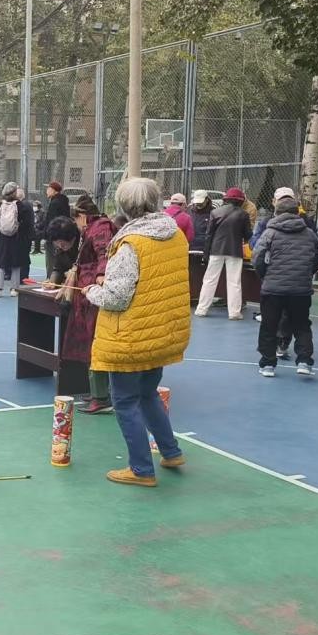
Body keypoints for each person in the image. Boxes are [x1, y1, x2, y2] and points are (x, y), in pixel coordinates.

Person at [81, 178, 190, 487]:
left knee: (125, 400)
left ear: (124, 207)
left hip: (131, 335)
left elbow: (117, 297)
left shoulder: (131, 244)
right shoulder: (175, 235)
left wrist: (92, 291)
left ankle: (141, 469)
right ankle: (170, 451)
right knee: (147, 393)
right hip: (162, 330)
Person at [58, 197, 118, 413]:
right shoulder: (94, 228)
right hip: (87, 292)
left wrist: (100, 275)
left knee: (95, 341)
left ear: (82, 216)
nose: (76, 225)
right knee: (90, 341)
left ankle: (101, 396)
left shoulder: (100, 228)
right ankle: (97, 392)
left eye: (76, 220)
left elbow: (104, 252)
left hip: (93, 292)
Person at [252, 197, 318, 377]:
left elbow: (258, 258)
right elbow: (316, 260)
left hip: (273, 288)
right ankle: (304, 361)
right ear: (298, 213)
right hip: (301, 289)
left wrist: (265, 276)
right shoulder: (310, 234)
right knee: (302, 325)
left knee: (269, 325)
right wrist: (305, 276)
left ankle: (268, 364)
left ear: (276, 212)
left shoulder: (270, 233)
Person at [194, 187, 252, 320]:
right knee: (234, 282)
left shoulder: (215, 212)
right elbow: (247, 235)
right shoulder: (243, 214)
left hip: (216, 249)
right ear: (240, 201)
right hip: (234, 250)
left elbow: (209, 235)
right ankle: (234, 312)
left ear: (226, 199)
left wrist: (206, 253)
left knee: (209, 280)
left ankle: (201, 309)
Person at [0, 182, 33, 297]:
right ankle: (14, 289)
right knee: (16, 264)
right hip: (16, 238)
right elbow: (26, 223)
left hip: (2, 238)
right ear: (14, 192)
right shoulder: (20, 205)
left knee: (1, 263)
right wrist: (19, 231)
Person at [43, 181, 71, 273]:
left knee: (52, 263)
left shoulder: (54, 203)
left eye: (49, 188)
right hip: (63, 237)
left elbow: (51, 222)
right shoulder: (64, 202)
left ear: (54, 190)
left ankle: (51, 278)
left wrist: (47, 235)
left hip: (54, 238)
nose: (47, 190)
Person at [43, 216, 79, 286]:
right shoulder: (59, 249)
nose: (60, 246)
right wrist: (52, 282)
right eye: (57, 243)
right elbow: (58, 269)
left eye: (63, 244)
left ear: (73, 238)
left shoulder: (83, 243)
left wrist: (75, 273)